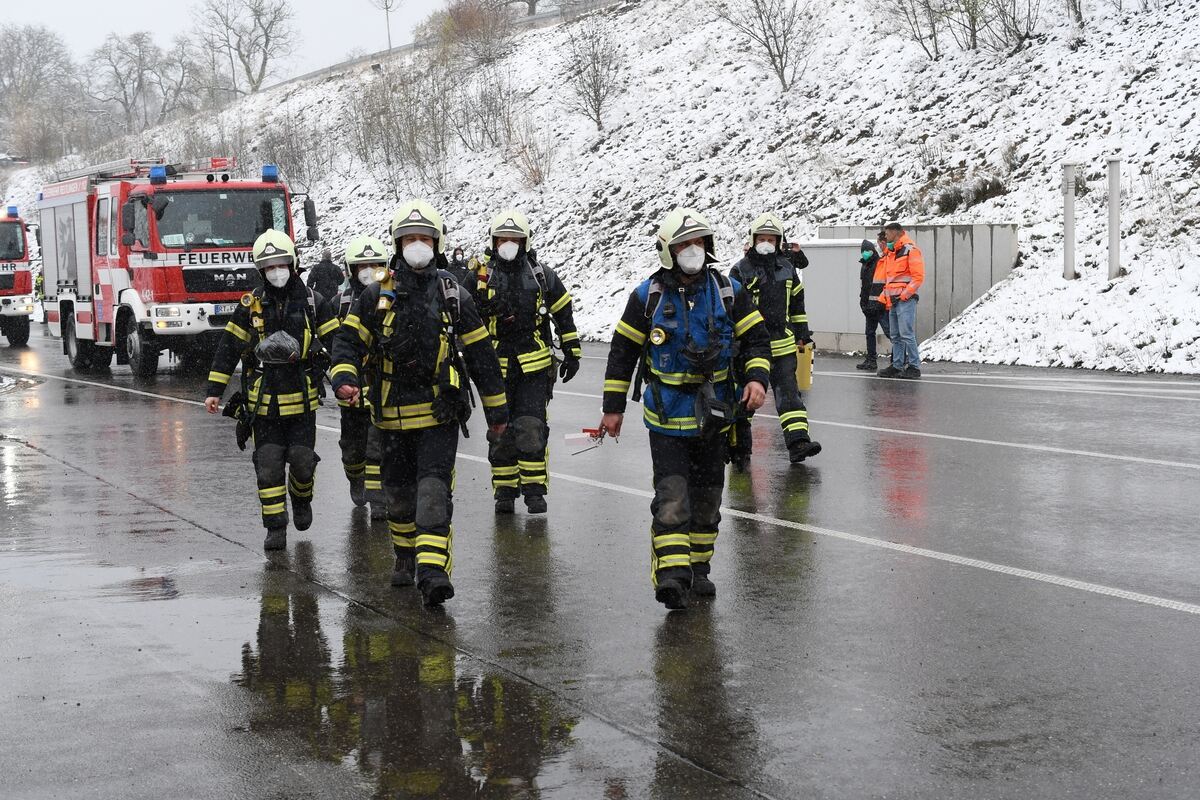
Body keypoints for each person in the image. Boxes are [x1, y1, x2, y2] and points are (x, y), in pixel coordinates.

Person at [331, 199, 509, 606]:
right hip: (390, 419)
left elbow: (482, 358)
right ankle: (405, 556)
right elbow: (347, 343)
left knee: (432, 491)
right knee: (397, 495)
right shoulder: (375, 296)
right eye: (408, 239)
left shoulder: (453, 294)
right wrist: (345, 378)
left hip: (437, 415)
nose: (416, 245)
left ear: (436, 242)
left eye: (423, 238)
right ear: (396, 245)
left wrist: (498, 415)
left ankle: (433, 572)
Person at [599, 207, 771, 610]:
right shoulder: (647, 298)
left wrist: (756, 379)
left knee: (709, 496)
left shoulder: (729, 292)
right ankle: (672, 576)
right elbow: (622, 353)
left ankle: (699, 569)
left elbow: (757, 341)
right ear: (667, 251)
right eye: (683, 245)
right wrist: (613, 407)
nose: (692, 251)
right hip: (666, 419)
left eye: (698, 243)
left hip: (714, 419)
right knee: (673, 495)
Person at [204, 230, 340, 551]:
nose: (276, 271)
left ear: (292, 264)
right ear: (260, 270)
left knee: (303, 461)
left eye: (281, 264)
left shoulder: (312, 302)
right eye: (268, 266)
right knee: (268, 465)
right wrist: (215, 389)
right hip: (262, 404)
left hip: (302, 403)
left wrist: (347, 381)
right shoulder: (250, 306)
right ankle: (275, 527)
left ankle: (301, 498)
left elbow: (337, 345)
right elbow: (229, 346)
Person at [473, 209, 582, 515]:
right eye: (502, 239)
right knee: (500, 430)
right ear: (493, 242)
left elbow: (563, 312)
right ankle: (504, 492)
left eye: (514, 239)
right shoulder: (479, 278)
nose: (508, 244)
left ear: (525, 241)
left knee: (532, 427)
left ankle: (535, 491)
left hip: (534, 368)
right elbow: (461, 319)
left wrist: (572, 349)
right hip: (494, 368)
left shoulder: (542, 276)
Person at [728, 212, 822, 468]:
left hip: (782, 347)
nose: (766, 243)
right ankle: (739, 448)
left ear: (779, 240)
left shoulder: (788, 269)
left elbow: (797, 305)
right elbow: (731, 309)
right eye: (762, 238)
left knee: (790, 397)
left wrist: (802, 333)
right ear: (753, 239)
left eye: (771, 238)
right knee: (745, 400)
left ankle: (798, 443)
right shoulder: (740, 270)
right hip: (748, 351)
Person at [334, 235, 389, 518]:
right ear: (351, 270)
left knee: (376, 447)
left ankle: (379, 501)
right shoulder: (339, 303)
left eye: (374, 265)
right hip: (352, 394)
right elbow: (336, 345)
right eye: (361, 266)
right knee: (353, 450)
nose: (368, 271)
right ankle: (355, 478)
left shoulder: (393, 299)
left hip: (382, 388)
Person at [877, 222, 925, 379]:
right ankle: (897, 365)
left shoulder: (911, 250)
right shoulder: (891, 253)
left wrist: (904, 295)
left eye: (888, 234)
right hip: (894, 300)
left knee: (906, 334)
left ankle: (914, 366)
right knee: (896, 335)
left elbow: (918, 277)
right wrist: (886, 297)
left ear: (897, 233)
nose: (886, 237)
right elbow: (890, 279)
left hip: (905, 300)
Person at [856, 233, 890, 371]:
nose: (865, 253)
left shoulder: (880, 263)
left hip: (880, 306)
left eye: (867, 251)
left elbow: (880, 285)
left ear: (873, 251)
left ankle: (901, 357)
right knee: (869, 333)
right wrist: (863, 305)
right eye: (863, 251)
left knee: (889, 332)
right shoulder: (864, 266)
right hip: (869, 307)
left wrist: (879, 303)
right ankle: (871, 360)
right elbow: (864, 288)